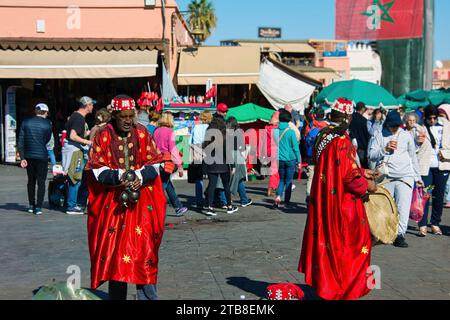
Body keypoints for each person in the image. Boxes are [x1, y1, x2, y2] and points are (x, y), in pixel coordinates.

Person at [85, 94, 165, 300]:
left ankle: (148, 298)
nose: (129, 120)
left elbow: (154, 162)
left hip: (142, 207)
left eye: (132, 116)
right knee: (117, 257)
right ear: (114, 115)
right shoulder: (102, 135)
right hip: (114, 207)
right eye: (124, 116)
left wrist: (140, 176)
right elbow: (95, 168)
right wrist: (118, 176)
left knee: (144, 253)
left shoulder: (143, 133)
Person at [299, 98, 377, 300]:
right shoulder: (342, 143)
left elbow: (334, 169)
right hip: (342, 205)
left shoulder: (323, 137)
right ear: (348, 118)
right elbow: (349, 178)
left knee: (327, 244)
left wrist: (361, 170)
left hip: (324, 201)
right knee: (351, 247)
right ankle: (346, 289)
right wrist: (367, 185)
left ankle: (328, 286)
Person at [368, 111, 423, 247]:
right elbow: (371, 155)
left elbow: (413, 157)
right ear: (387, 124)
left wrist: (418, 177)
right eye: (392, 126)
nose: (394, 129)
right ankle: (382, 233)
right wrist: (384, 149)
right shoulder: (379, 135)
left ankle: (400, 235)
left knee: (402, 207)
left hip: (405, 176)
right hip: (386, 176)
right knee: (384, 207)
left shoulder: (406, 136)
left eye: (396, 126)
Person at [417, 105, 450, 236]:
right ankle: (422, 224)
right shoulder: (420, 127)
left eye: (434, 118)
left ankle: (435, 223)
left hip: (442, 165)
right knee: (425, 195)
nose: (432, 120)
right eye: (429, 118)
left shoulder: (446, 126)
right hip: (426, 167)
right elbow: (414, 146)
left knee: (439, 196)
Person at [203, 103, 238, 216]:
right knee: (226, 184)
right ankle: (229, 206)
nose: (225, 113)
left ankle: (209, 207)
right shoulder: (224, 128)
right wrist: (232, 165)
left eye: (226, 111)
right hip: (222, 161)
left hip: (211, 161)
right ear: (218, 111)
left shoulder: (210, 127)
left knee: (212, 184)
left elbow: (205, 145)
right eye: (223, 112)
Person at [62, 96, 94, 215]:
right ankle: (71, 206)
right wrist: (88, 142)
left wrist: (87, 133)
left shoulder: (75, 116)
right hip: (75, 151)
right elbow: (73, 135)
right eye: (91, 105)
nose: (92, 107)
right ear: (87, 106)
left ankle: (72, 203)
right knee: (75, 178)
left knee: (74, 177)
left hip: (72, 149)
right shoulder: (79, 118)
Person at [18, 103, 52, 215]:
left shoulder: (25, 122)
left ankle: (31, 205)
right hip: (42, 155)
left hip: (28, 155)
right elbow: (47, 139)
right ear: (45, 112)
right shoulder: (48, 124)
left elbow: (21, 141)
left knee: (30, 181)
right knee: (41, 182)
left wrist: (22, 157)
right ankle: (39, 207)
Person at [153, 112, 188, 217]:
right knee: (163, 185)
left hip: (157, 161)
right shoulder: (169, 132)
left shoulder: (156, 131)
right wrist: (180, 166)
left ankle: (178, 206)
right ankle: (153, 208)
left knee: (167, 184)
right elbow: (173, 150)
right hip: (167, 162)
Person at [273, 109, 301, 209]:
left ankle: (278, 197)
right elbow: (296, 148)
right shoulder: (291, 132)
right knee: (288, 181)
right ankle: (286, 203)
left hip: (280, 159)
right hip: (291, 159)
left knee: (281, 180)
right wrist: (299, 161)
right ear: (289, 119)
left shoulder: (275, 131)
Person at [223, 117, 252, 207]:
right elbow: (242, 146)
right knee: (238, 178)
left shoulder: (226, 132)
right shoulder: (239, 132)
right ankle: (241, 200)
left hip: (228, 155)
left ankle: (242, 199)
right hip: (237, 155)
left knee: (230, 178)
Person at [304, 107, 329, 204]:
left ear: (314, 115)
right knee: (323, 177)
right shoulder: (327, 127)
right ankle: (321, 197)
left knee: (311, 177)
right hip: (323, 156)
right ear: (324, 116)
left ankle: (309, 195)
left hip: (311, 155)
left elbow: (305, 140)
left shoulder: (310, 126)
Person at [189, 110, 212, 208]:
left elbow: (190, 142)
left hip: (197, 150)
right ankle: (209, 197)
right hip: (209, 151)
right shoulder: (210, 128)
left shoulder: (196, 127)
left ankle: (199, 201)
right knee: (212, 177)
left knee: (199, 177)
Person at [349, 102, 370, 169]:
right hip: (362, 148)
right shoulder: (364, 121)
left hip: (350, 146)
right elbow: (367, 135)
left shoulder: (350, 118)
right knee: (363, 169)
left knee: (353, 168)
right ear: (362, 109)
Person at [263, 111, 279, 197]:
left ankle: (273, 187)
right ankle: (271, 188)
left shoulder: (266, 128)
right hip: (275, 151)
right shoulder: (277, 128)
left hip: (268, 151)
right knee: (275, 171)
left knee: (273, 170)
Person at [438, 105, 450, 208]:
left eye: (443, 116)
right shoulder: (439, 128)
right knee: (447, 182)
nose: (441, 118)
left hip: (446, 156)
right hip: (444, 160)